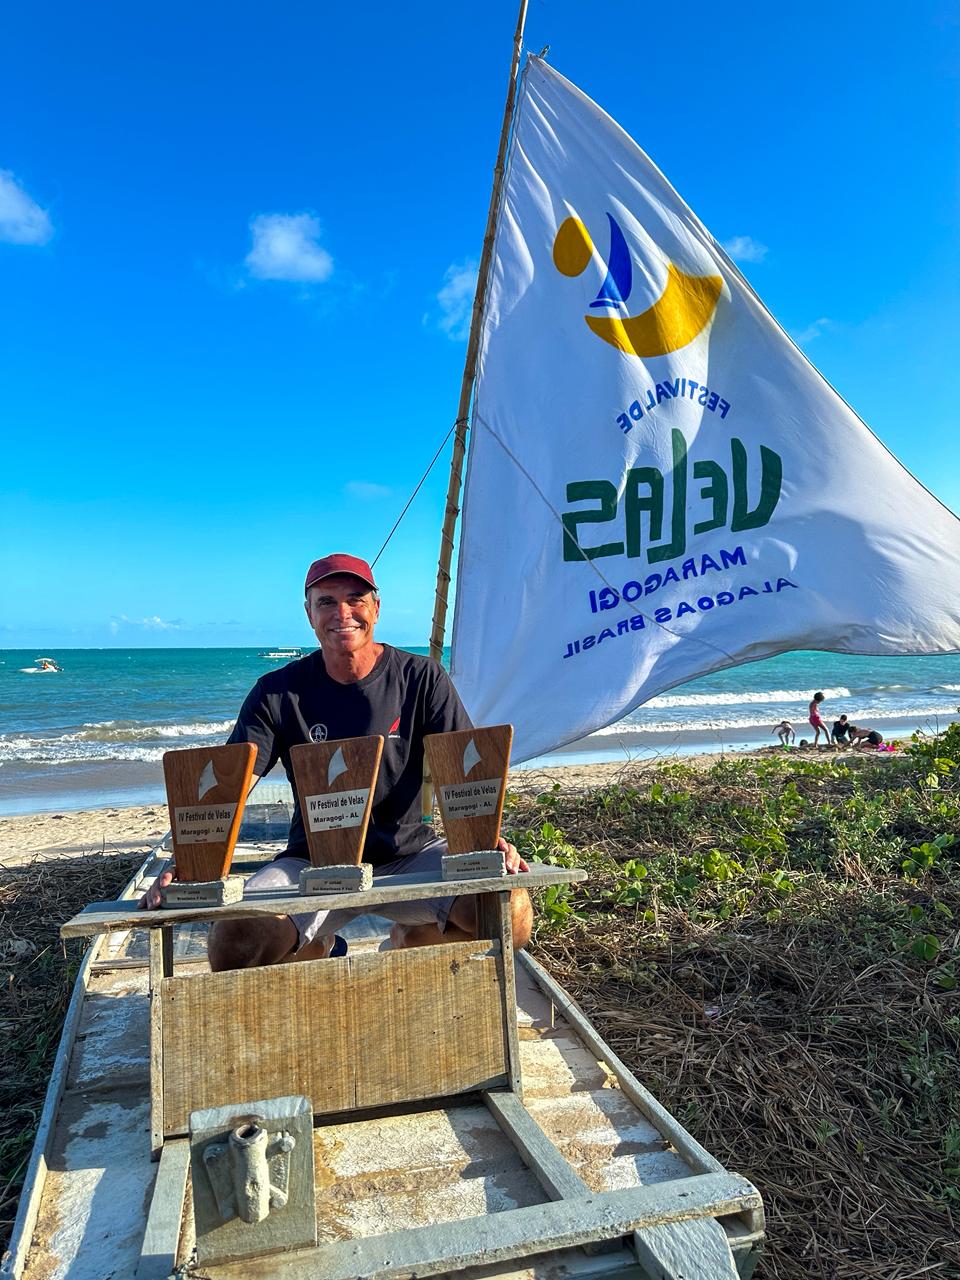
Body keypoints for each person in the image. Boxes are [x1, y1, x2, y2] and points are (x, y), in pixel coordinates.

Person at [141, 552, 532, 968]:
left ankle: (412, 938)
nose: (342, 613)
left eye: (355, 599)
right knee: (233, 943)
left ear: (376, 609)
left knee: (510, 914)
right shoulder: (276, 692)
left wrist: (486, 842)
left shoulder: (422, 678)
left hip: (408, 855)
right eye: (326, 601)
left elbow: (464, 772)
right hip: (313, 864)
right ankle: (316, 946)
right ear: (309, 613)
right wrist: (190, 860)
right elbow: (230, 787)